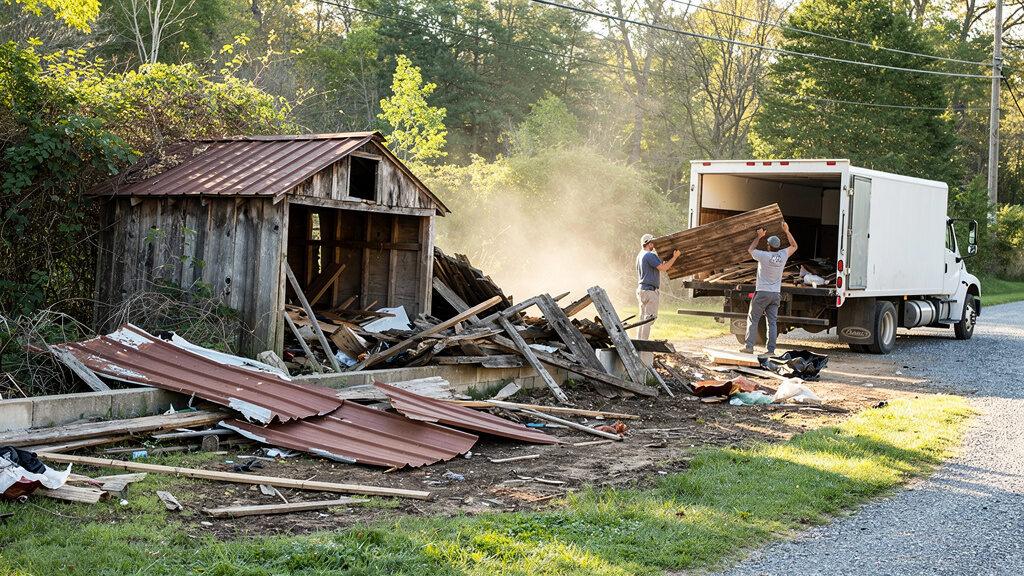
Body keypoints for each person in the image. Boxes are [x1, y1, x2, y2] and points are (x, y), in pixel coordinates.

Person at [741, 221, 797, 355]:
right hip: (775, 294)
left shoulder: (764, 256)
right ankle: (770, 350)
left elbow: (750, 250)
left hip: (762, 293)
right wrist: (787, 231)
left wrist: (759, 236)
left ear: (769, 246)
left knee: (753, 319)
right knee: (772, 322)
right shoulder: (783, 255)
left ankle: (749, 347)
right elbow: (794, 245)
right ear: (778, 247)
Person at [636, 233, 680, 340]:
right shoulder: (649, 255)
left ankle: (638, 342)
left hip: (642, 290)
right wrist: (675, 257)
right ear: (648, 243)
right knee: (649, 319)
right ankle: (644, 344)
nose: (654, 245)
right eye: (652, 243)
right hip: (650, 291)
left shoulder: (640, 256)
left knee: (642, 319)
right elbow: (663, 267)